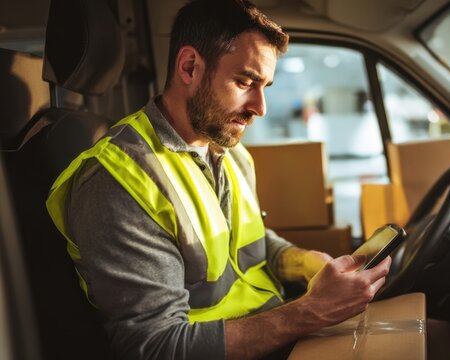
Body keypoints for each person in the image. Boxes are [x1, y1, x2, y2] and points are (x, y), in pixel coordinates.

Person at [45, 1, 391, 359]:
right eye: (245, 82)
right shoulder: (117, 180)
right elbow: (156, 347)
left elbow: (246, 246)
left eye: (265, 86)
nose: (260, 107)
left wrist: (304, 263)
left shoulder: (229, 151)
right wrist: (308, 312)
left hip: (281, 336)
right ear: (190, 67)